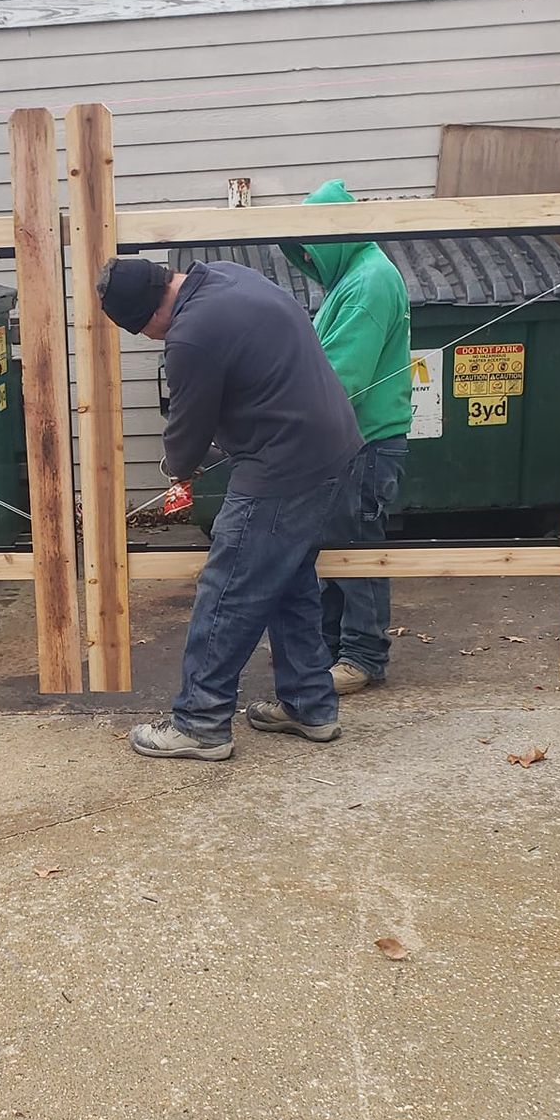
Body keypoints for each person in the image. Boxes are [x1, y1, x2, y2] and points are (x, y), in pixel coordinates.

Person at [97, 254, 362, 761]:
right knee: (288, 581)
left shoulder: (191, 334)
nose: (150, 339)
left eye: (142, 331)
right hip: (331, 449)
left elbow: (189, 428)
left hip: (283, 465)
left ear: (149, 314)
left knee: (228, 591)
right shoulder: (227, 276)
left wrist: (179, 469)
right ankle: (310, 706)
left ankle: (201, 720)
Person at [281, 181, 413, 696]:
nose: (308, 256)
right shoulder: (355, 278)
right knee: (337, 545)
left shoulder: (368, 280)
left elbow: (342, 375)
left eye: (312, 244)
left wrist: (282, 421)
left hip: (365, 443)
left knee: (356, 546)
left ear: (335, 233)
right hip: (352, 440)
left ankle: (362, 654)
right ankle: (338, 647)